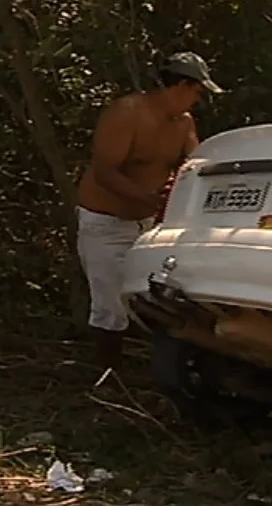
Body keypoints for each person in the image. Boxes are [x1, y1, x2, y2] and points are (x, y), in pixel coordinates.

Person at [76, 51, 222, 373]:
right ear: (182, 85)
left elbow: (194, 165)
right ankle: (107, 377)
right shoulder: (128, 113)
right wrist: (151, 201)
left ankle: (164, 370)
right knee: (110, 303)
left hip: (148, 223)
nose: (196, 101)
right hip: (107, 222)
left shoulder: (183, 124)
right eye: (197, 92)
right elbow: (105, 172)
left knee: (161, 295)